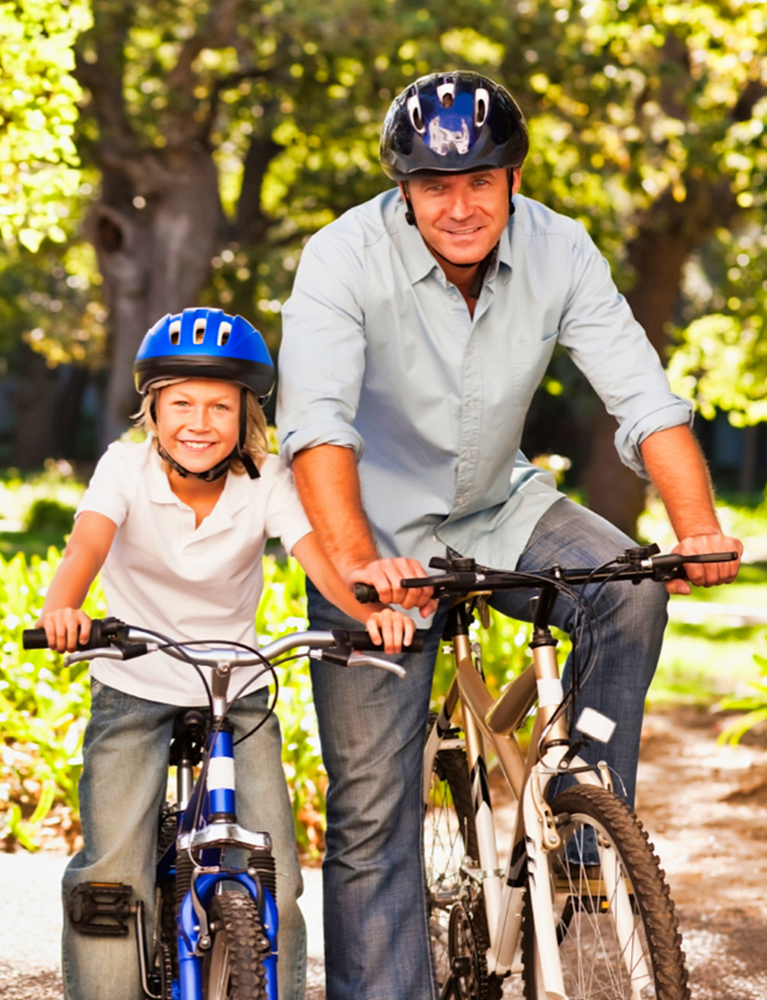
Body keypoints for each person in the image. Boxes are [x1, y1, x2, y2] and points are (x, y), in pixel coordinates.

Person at [275, 69, 742, 1000]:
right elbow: (317, 426)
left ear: (513, 180)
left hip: (503, 511)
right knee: (371, 818)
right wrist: (361, 564)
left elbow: (644, 400)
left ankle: (582, 831)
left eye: (479, 182)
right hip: (365, 531)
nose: (460, 207)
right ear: (403, 189)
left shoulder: (562, 250)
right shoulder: (341, 258)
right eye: (436, 186)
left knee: (629, 590)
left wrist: (695, 527)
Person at [37, 307, 417, 1000]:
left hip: (234, 687)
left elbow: (318, 559)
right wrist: (64, 607)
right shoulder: (123, 468)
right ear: (151, 410)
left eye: (220, 406)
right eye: (181, 402)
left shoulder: (268, 478)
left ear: (247, 416)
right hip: (136, 679)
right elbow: (85, 545)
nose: (199, 421)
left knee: (276, 869)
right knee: (112, 871)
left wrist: (369, 614)